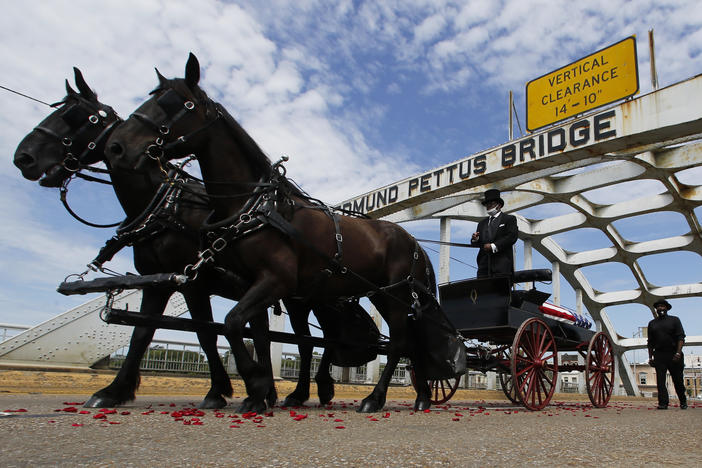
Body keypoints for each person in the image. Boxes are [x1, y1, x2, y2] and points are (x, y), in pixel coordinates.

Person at [647, 299, 687, 410]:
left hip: (674, 353)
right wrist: (650, 357)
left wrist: (678, 352)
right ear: (656, 309)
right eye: (658, 306)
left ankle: (683, 401)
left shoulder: (675, 320)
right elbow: (650, 342)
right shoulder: (652, 323)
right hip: (659, 354)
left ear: (667, 308)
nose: (660, 308)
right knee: (660, 381)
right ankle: (663, 403)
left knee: (678, 380)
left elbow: (681, 337)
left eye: (662, 306)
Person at [470, 189, 518, 279]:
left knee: (501, 292)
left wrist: (494, 246)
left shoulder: (509, 219)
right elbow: (477, 244)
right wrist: (475, 239)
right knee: (483, 292)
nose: (488, 206)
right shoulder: (481, 223)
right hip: (483, 268)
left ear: (499, 205)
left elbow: (512, 237)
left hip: (502, 268)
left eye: (490, 204)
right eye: (486, 204)